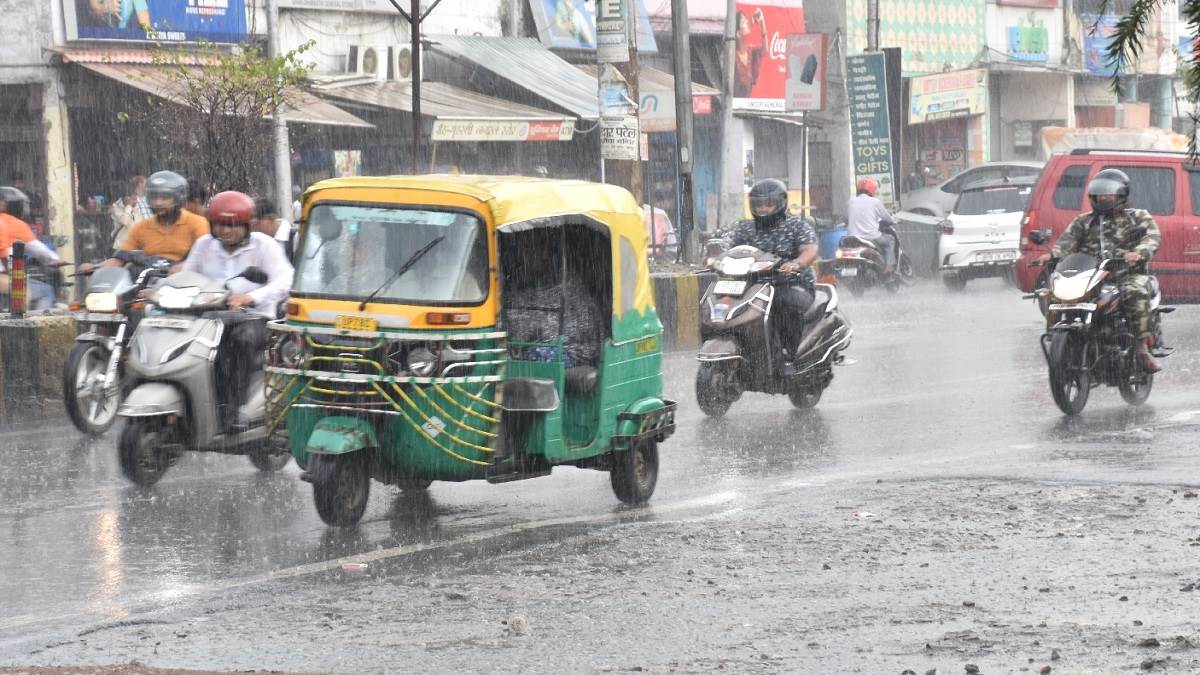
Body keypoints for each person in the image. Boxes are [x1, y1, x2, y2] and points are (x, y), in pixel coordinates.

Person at [182, 191, 294, 428]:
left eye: (232, 225)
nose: (225, 231)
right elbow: (187, 277)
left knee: (236, 343)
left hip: (255, 319)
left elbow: (286, 281)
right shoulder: (203, 245)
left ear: (247, 225)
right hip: (210, 317)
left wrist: (250, 297)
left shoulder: (264, 245)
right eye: (220, 225)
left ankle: (233, 408)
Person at [1036, 169, 1162, 372]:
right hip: (1092, 276)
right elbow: (1066, 243)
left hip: (1126, 275)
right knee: (1055, 294)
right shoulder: (1083, 221)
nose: (1103, 198)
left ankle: (1141, 351)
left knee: (1135, 292)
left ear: (1121, 195)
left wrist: (1138, 252)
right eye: (1099, 194)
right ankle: (1059, 342)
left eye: (1108, 193)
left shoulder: (1137, 217)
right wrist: (1051, 255)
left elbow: (1152, 238)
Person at [727, 178, 818, 357]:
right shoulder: (745, 228)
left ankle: (790, 352)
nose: (763, 209)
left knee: (783, 305)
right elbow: (728, 248)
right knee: (724, 305)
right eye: (758, 204)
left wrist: (796, 263)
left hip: (790, 283)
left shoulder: (797, 226)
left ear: (780, 203)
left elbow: (810, 250)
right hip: (752, 286)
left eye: (768, 204)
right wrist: (713, 259)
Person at [91, 171, 209, 272]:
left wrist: (184, 266)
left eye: (164, 198)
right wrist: (94, 267)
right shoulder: (141, 227)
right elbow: (119, 259)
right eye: (154, 197)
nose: (158, 203)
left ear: (178, 199)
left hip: (185, 289)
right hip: (146, 286)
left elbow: (205, 259)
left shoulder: (198, 224)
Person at [0, 187, 68, 310]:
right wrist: (54, 259)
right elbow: (38, 249)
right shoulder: (14, 223)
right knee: (45, 291)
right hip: (2, 277)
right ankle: (34, 327)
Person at [846, 178, 898, 275]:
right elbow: (886, 217)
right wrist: (894, 220)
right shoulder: (875, 202)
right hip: (871, 237)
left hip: (853, 238)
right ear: (872, 189)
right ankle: (889, 267)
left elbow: (848, 217)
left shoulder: (851, 201)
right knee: (890, 239)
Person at [109, 174, 152, 248]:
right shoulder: (116, 206)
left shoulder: (143, 204)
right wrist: (129, 206)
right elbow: (125, 221)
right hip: (123, 246)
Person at [734, 7, 768, 97]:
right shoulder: (732, 55)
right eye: (743, 22)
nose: (747, 23)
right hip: (733, 106)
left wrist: (762, 23)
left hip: (747, 105)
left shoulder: (750, 52)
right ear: (738, 33)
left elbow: (765, 50)